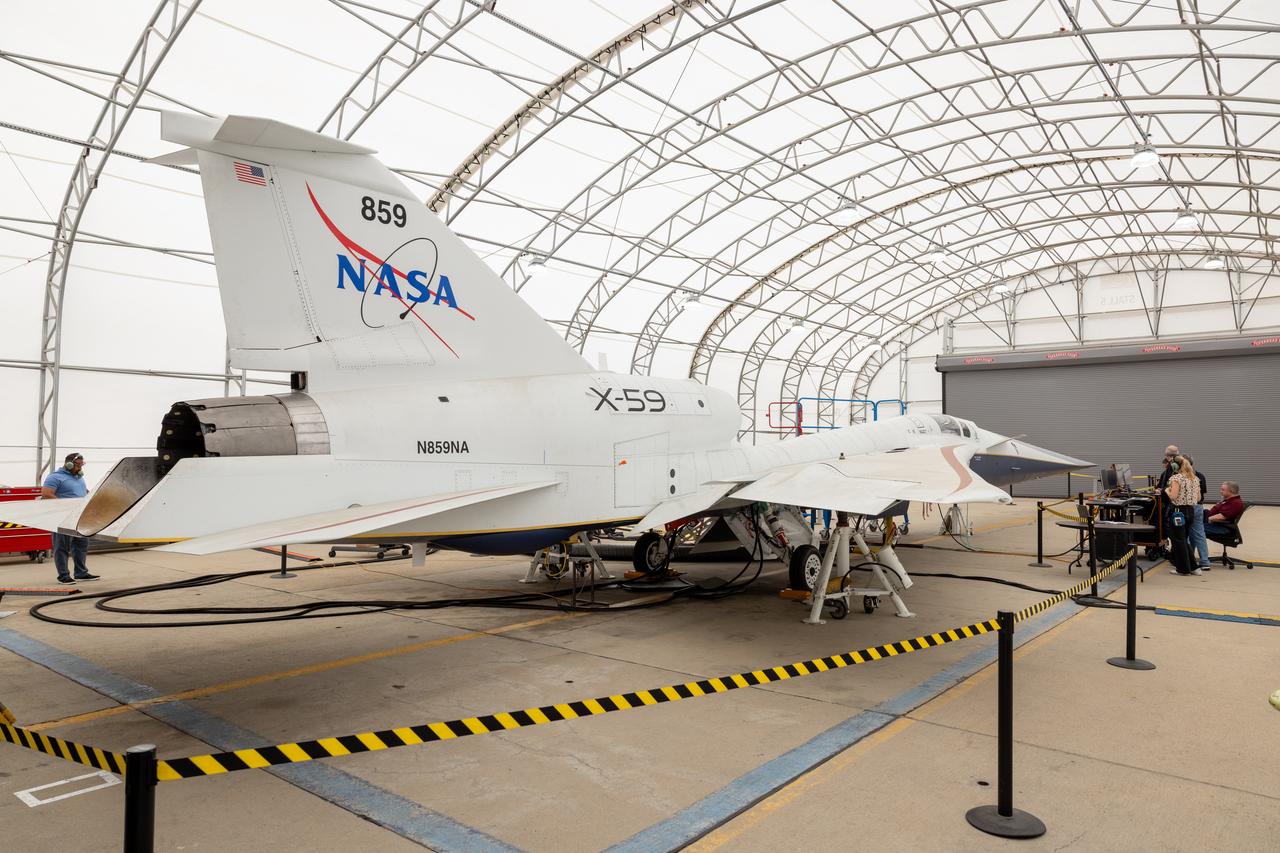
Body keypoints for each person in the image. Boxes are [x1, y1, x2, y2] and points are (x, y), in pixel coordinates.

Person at [41, 452, 99, 585]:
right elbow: (46, 494)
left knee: (81, 545)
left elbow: (83, 491)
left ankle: (80, 573)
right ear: (69, 464)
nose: (80, 468)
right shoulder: (55, 477)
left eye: (81, 465)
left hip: (78, 517)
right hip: (61, 517)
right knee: (61, 546)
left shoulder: (79, 478)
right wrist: (64, 508)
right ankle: (63, 576)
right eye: (78, 465)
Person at [1164, 454, 1202, 576]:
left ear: (1175, 466)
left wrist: (1166, 491)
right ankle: (1194, 567)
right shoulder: (1194, 478)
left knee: (1178, 541)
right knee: (1183, 540)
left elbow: (1173, 496)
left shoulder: (1176, 478)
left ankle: (1183, 569)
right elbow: (1199, 497)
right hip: (1190, 511)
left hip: (1177, 512)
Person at [1181, 452, 1211, 571]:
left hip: (1187, 507)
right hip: (1198, 507)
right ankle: (1204, 561)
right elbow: (1201, 494)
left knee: (1185, 534)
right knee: (1199, 534)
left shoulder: (1182, 477)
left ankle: (1188, 559)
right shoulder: (1200, 476)